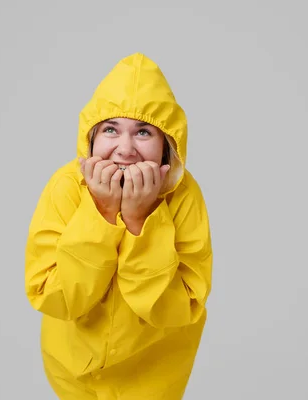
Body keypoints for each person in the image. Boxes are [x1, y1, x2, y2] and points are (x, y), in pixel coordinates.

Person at [24, 52, 213, 399]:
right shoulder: (66, 187)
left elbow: (180, 307)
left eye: (143, 132)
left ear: (166, 146)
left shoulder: (184, 197)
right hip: (72, 368)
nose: (124, 150)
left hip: (154, 371)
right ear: (91, 138)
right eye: (111, 129)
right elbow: (54, 297)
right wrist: (102, 213)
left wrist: (140, 221)